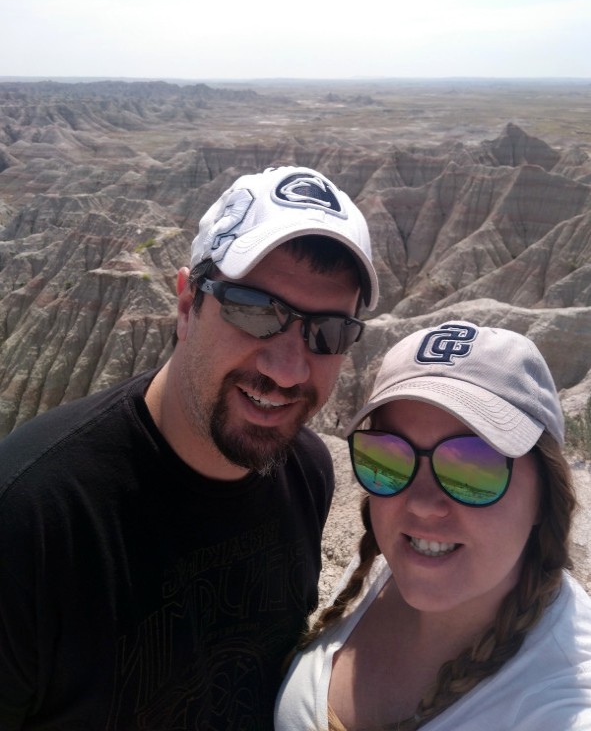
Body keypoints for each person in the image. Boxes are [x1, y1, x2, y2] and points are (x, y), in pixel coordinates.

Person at [0, 165, 379, 730]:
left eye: (327, 332)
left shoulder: (306, 471)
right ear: (186, 305)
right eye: (255, 311)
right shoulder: (33, 516)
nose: (288, 369)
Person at [275, 321, 591, 730]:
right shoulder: (383, 569)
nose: (422, 506)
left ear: (544, 497)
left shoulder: (562, 703)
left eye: (473, 468)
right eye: (388, 458)